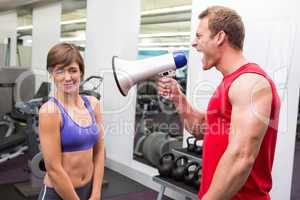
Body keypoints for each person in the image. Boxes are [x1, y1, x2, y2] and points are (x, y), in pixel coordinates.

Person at [157, 5, 281, 200]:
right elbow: (200, 129)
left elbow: (241, 157)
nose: (194, 43)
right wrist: (178, 98)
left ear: (220, 37)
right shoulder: (230, 83)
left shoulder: (249, 83)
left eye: (199, 36)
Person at [38, 42, 105, 200]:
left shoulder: (93, 104)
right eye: (60, 71)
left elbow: (100, 151)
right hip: (58, 193)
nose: (67, 77)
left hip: (88, 190)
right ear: (51, 73)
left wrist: (96, 193)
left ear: (81, 72)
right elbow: (53, 169)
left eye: (73, 70)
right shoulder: (50, 111)